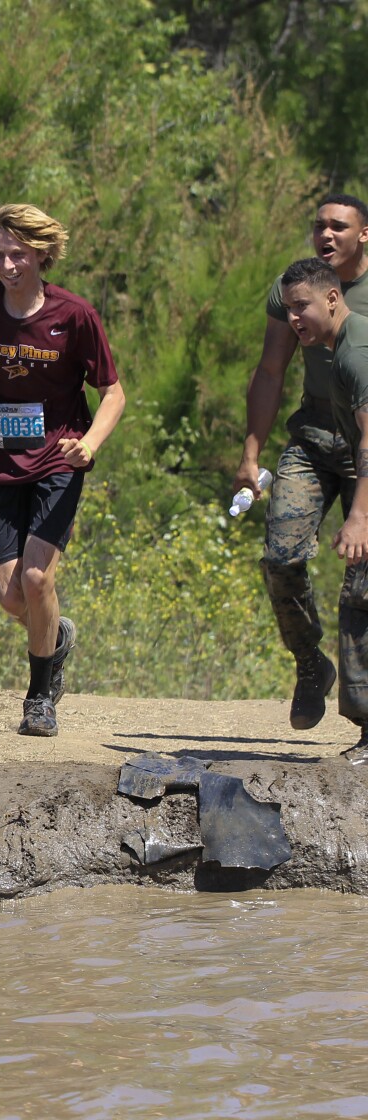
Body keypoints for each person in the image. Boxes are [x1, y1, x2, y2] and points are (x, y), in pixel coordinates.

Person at [0, 204, 126, 737]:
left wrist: (89, 444)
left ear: (43, 255)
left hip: (58, 459)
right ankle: (55, 636)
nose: (7, 265)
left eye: (18, 254)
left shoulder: (74, 315)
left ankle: (39, 696)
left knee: (36, 576)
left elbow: (113, 392)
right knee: (11, 598)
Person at [235, 195, 368, 730]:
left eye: (339, 226)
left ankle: (362, 713)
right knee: (281, 556)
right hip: (315, 437)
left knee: (360, 579)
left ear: (364, 235)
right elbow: (270, 371)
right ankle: (311, 664)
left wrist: (360, 515)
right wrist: (251, 453)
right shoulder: (296, 288)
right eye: (319, 225)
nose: (326, 234)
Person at [278, 257, 368, 763]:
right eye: (288, 308)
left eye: (302, 306)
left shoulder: (356, 352)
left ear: (332, 299)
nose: (294, 318)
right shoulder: (342, 347)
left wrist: (359, 517)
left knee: (359, 599)